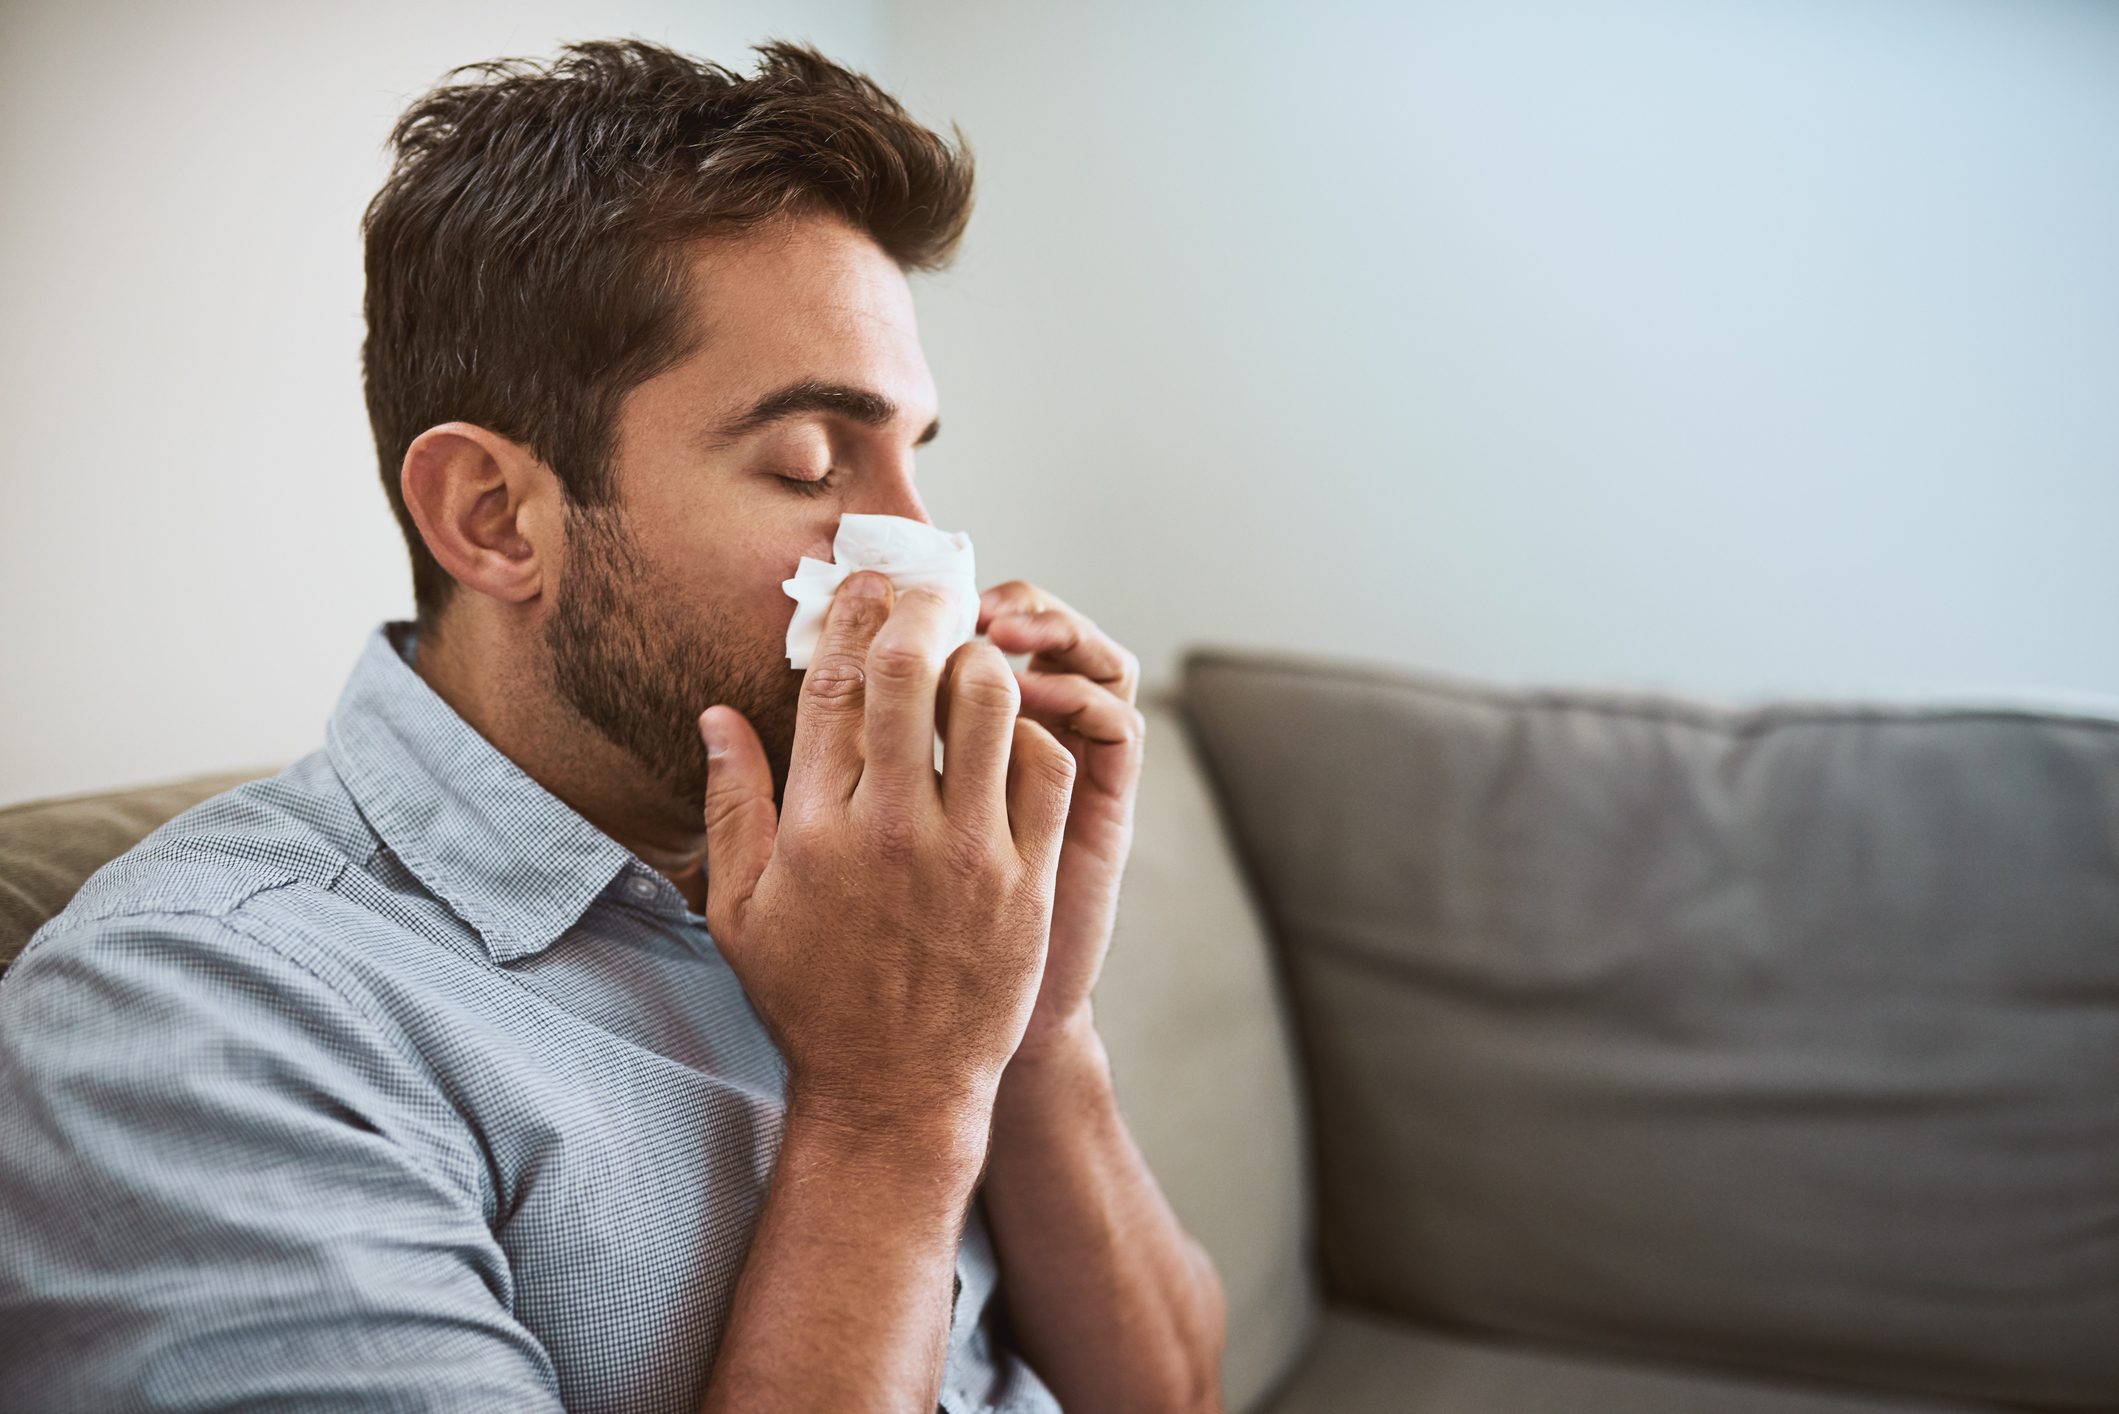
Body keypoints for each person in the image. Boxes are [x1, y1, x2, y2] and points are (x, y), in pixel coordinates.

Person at [0, 37, 1226, 1414]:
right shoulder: (197, 1021)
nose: (922, 548)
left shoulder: (878, 888)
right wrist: (893, 1108)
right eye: (812, 463)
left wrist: (1034, 1013)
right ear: (494, 516)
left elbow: (1170, 1391)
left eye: (912, 462)